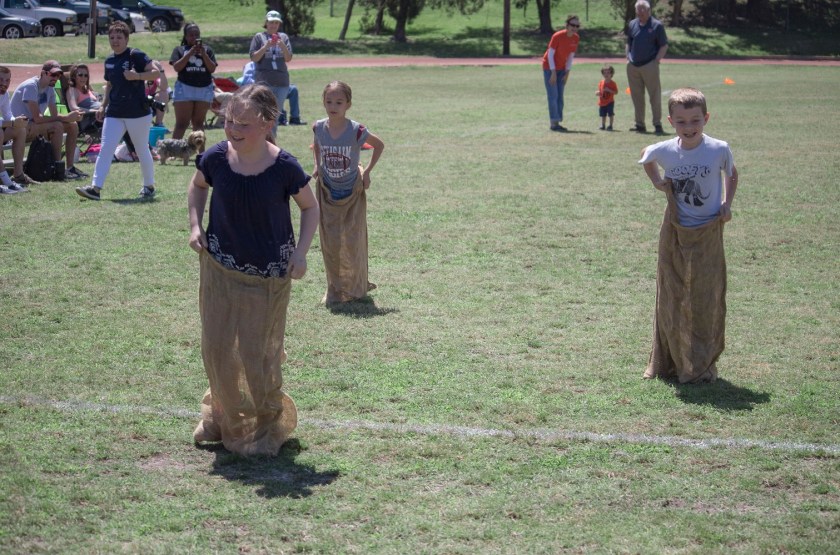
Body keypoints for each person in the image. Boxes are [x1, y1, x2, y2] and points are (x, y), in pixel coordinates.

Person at [187, 84, 319, 456]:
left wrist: (301, 254)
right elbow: (197, 188)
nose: (232, 129)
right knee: (216, 347)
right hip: (220, 268)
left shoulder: (284, 167)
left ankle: (266, 423)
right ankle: (221, 416)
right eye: (229, 120)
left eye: (243, 123)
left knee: (256, 353)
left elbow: (310, 208)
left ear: (267, 123)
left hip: (268, 276)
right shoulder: (214, 158)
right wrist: (195, 225)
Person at [639, 87, 739, 384]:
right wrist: (657, 180)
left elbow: (732, 173)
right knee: (672, 292)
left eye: (695, 120)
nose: (689, 127)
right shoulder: (667, 149)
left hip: (708, 230)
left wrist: (727, 204)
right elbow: (646, 156)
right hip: (675, 230)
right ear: (671, 121)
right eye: (681, 122)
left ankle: (701, 363)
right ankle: (665, 362)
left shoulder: (718, 148)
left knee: (704, 295)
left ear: (706, 118)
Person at [312, 80, 385, 304]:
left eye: (339, 102)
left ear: (348, 104)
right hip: (328, 191)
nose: (333, 106)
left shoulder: (356, 130)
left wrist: (367, 173)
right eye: (329, 101)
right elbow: (316, 144)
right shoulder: (318, 127)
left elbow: (379, 145)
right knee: (331, 242)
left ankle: (356, 287)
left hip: (352, 192)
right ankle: (334, 289)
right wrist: (317, 164)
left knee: (352, 241)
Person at [75, 21, 160, 201]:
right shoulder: (110, 61)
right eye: (112, 37)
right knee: (106, 149)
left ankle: (149, 186)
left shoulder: (135, 55)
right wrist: (103, 106)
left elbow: (155, 73)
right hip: (114, 112)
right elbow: (110, 85)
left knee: (141, 149)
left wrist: (137, 76)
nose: (115, 41)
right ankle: (95, 189)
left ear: (127, 39)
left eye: (119, 37)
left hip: (138, 113)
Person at [9, 60, 86, 180]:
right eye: (53, 75)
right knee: (57, 126)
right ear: (43, 73)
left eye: (59, 75)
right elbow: (38, 118)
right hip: (20, 127)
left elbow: (54, 115)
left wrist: (72, 117)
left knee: (73, 125)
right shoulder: (31, 86)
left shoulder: (50, 89)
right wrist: (65, 117)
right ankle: (56, 168)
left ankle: (69, 167)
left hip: (33, 125)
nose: (56, 78)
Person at [169, 23, 216, 148]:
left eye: (197, 35)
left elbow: (212, 69)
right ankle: (174, 151)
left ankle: (202, 154)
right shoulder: (179, 50)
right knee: (182, 123)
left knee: (198, 123)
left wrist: (204, 55)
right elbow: (177, 67)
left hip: (204, 89)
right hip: (184, 88)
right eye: (191, 35)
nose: (194, 37)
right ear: (185, 36)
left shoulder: (208, 50)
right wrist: (190, 53)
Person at [625, 0, 668, 134]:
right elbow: (628, 42)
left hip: (650, 64)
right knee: (636, 97)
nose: (640, 13)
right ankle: (639, 124)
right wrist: (628, 57)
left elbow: (664, 45)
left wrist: (656, 61)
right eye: (638, 10)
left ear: (649, 11)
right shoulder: (632, 24)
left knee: (654, 96)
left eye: (643, 10)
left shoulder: (657, 25)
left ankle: (657, 124)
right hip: (633, 66)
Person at [249, 10, 293, 136]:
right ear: (266, 23)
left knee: (275, 116)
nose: (273, 25)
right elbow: (254, 58)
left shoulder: (284, 37)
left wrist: (282, 45)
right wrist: (266, 46)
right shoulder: (259, 37)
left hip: (281, 82)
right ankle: (259, 141)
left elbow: (288, 58)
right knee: (262, 114)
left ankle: (271, 143)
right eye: (271, 22)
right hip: (264, 82)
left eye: (276, 23)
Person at [0, 65, 37, 192]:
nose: (4, 83)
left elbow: (8, 115)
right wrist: (11, 123)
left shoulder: (4, 95)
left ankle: (18, 174)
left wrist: (17, 120)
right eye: (1, 80)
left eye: (7, 80)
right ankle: (5, 181)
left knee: (20, 129)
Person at [541, 15, 581, 132]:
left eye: (577, 26)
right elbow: (550, 54)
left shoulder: (576, 38)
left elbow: (570, 57)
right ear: (567, 25)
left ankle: (557, 121)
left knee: (560, 96)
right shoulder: (557, 36)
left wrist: (567, 72)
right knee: (553, 95)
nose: (574, 28)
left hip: (562, 70)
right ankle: (554, 123)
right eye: (572, 25)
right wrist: (553, 72)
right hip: (549, 67)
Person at [237, 61, 305, 126]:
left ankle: (295, 118)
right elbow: (247, 80)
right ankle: (280, 117)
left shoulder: (270, 62)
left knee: (293, 89)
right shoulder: (250, 65)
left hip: (278, 85)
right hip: (262, 88)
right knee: (273, 93)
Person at [66, 63, 103, 138]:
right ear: (74, 76)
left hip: (101, 116)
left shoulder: (86, 87)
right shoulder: (73, 90)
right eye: (80, 75)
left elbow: (97, 99)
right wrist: (94, 111)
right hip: (91, 121)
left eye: (86, 75)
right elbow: (73, 108)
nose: (83, 78)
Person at [596, 64, 618, 131]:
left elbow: (616, 92)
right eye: (604, 73)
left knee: (610, 114)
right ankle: (603, 125)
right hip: (602, 102)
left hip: (610, 102)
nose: (606, 74)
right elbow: (600, 91)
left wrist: (609, 90)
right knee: (603, 115)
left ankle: (610, 125)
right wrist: (597, 93)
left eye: (608, 72)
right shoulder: (601, 83)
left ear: (611, 74)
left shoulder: (613, 83)